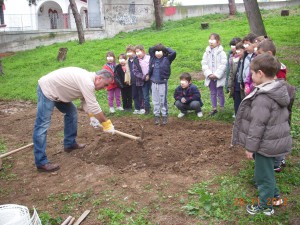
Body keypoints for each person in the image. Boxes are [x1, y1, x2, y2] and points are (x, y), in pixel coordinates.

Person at [232, 54, 292, 215]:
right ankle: (276, 197)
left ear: (260, 73)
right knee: (267, 172)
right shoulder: (278, 88)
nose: (251, 76)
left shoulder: (263, 98)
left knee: (263, 177)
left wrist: (250, 148)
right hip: (274, 141)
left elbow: (257, 125)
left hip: (266, 144)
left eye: (252, 73)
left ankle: (265, 206)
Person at [33, 67, 115, 172]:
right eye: (105, 85)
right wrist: (106, 123)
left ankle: (69, 144)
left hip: (59, 92)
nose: (105, 88)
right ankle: (41, 162)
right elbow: (93, 105)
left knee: (72, 113)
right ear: (99, 78)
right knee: (42, 125)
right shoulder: (87, 82)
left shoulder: (88, 81)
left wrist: (92, 117)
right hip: (48, 90)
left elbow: (85, 101)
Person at [256, 40, 296, 172]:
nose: (258, 57)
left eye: (260, 54)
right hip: (276, 105)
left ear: (269, 53)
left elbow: (279, 89)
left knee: (279, 133)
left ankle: (279, 159)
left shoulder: (276, 68)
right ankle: (277, 158)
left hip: (280, 107)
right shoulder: (271, 66)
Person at [149, 43, 176, 125]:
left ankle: (164, 115)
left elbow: (173, 52)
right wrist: (157, 47)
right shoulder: (153, 58)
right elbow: (150, 48)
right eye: (156, 51)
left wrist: (164, 48)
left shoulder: (167, 58)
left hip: (162, 83)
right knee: (155, 100)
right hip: (154, 83)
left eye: (160, 51)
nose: (158, 53)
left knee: (163, 100)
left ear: (163, 52)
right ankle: (156, 115)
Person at [201, 33, 227, 116]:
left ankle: (222, 107)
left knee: (220, 92)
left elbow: (223, 64)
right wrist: (209, 74)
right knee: (212, 92)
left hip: (218, 77)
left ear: (218, 42)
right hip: (210, 77)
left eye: (213, 40)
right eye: (210, 40)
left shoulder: (222, 53)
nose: (211, 42)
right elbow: (204, 63)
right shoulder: (206, 53)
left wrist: (216, 74)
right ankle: (214, 108)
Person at [227, 42, 245, 117]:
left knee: (244, 103)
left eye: (240, 50)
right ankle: (237, 118)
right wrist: (230, 84)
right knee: (236, 103)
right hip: (236, 86)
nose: (238, 52)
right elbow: (231, 73)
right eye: (237, 50)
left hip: (243, 87)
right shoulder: (235, 61)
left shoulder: (246, 61)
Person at [124, 45, 144, 114]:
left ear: (134, 52)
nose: (129, 53)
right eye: (128, 52)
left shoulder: (137, 59)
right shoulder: (127, 61)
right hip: (132, 81)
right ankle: (137, 108)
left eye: (131, 52)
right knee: (134, 95)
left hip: (139, 80)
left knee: (141, 94)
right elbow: (127, 72)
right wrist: (127, 80)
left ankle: (142, 108)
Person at [133, 45, 151, 115]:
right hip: (143, 81)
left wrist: (149, 75)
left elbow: (152, 67)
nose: (137, 54)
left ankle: (157, 109)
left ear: (143, 51)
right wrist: (143, 77)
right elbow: (135, 71)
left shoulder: (149, 58)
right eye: (136, 52)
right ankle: (147, 109)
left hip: (151, 79)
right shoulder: (136, 60)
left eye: (138, 51)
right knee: (145, 96)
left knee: (154, 95)